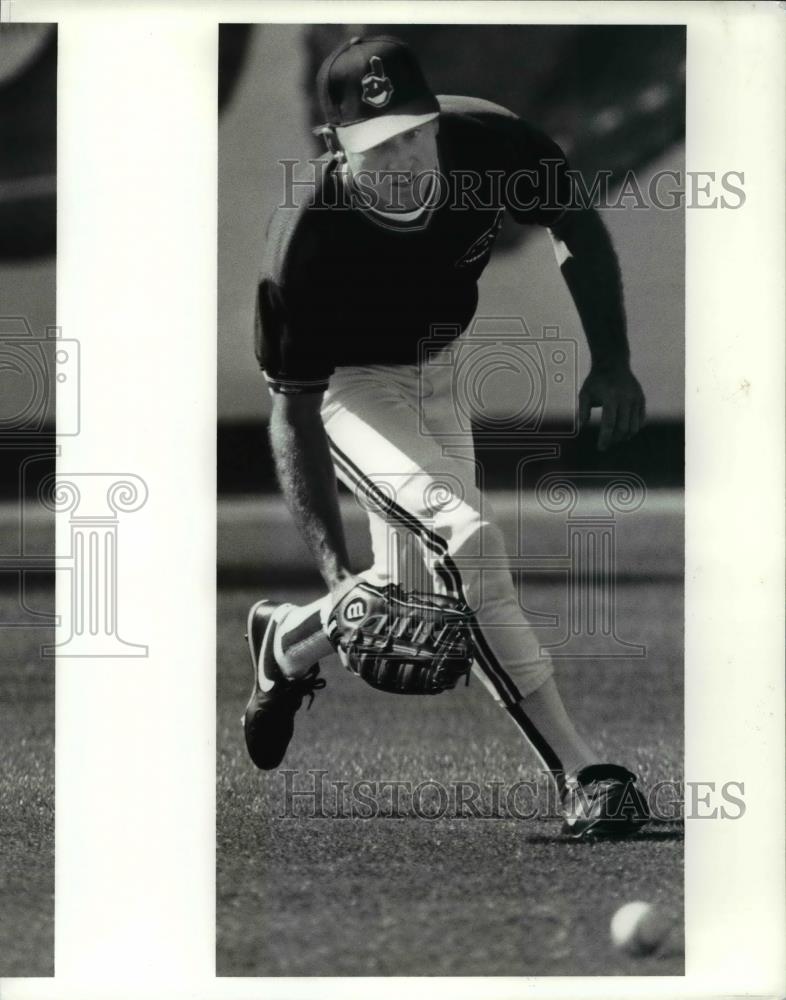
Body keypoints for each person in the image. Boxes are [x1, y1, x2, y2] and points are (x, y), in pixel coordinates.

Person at [243, 34, 649, 838]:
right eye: (378, 143)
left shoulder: (491, 142)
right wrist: (332, 567)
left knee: (419, 600)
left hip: (440, 362)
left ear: (436, 119)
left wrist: (612, 364)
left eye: (414, 131)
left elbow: (576, 224)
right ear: (334, 145)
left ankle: (285, 642)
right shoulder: (304, 242)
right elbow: (292, 411)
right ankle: (581, 773)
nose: (404, 155)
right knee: (468, 539)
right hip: (353, 386)